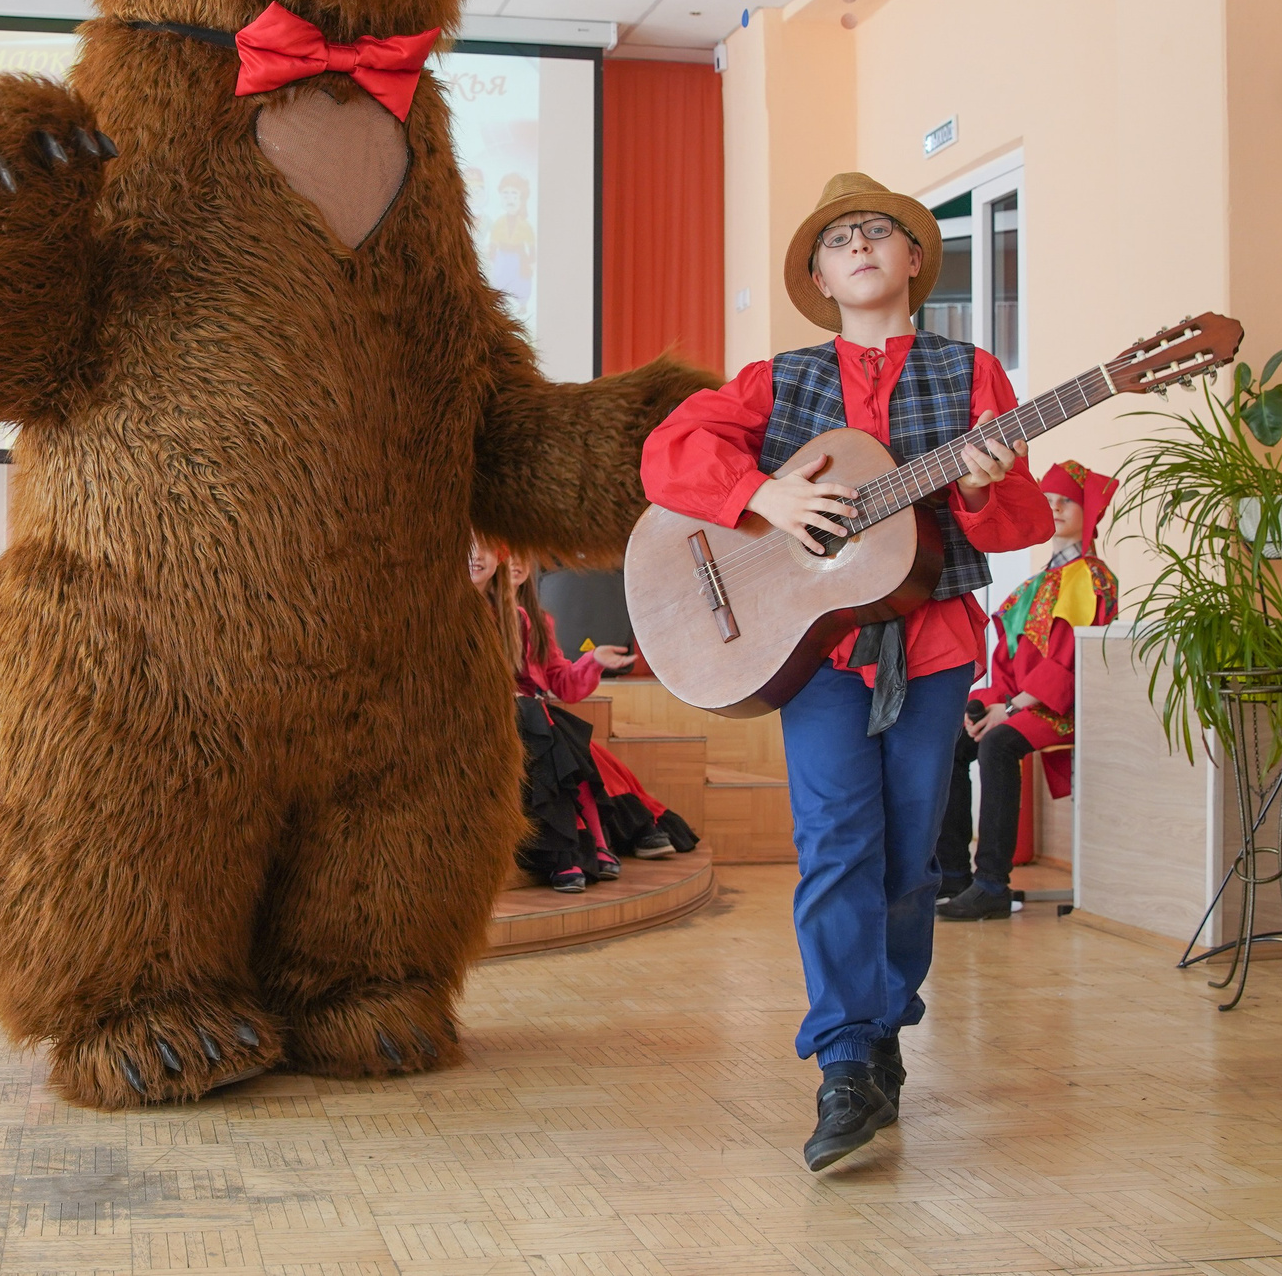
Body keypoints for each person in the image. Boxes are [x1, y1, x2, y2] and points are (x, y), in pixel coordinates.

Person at [641, 171, 1051, 1172]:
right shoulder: (777, 383)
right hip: (816, 651)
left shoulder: (971, 375)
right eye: (838, 239)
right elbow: (670, 452)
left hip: (935, 643)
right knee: (833, 844)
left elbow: (1019, 521)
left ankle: (880, 1025)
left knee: (909, 859)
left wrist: (989, 485)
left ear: (914, 259)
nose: (860, 247)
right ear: (820, 276)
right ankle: (845, 1057)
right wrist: (763, 495)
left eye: (880, 233)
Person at [936, 461, 1119, 921]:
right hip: (1020, 701)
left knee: (998, 743)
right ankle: (953, 875)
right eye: (1049, 501)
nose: (1055, 509)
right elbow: (1008, 657)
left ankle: (992, 882)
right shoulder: (1038, 583)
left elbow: (1073, 658)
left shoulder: (1095, 577)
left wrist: (1014, 707)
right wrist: (988, 701)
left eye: (1066, 503)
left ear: (1087, 511)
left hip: (1065, 704)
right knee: (953, 739)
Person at [471, 538, 697, 894]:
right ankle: (588, 849)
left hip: (534, 717)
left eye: (520, 559)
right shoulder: (451, 612)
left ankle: (598, 846)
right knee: (565, 746)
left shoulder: (529, 620)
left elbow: (563, 683)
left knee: (574, 750)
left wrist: (593, 661)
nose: (512, 564)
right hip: (500, 717)